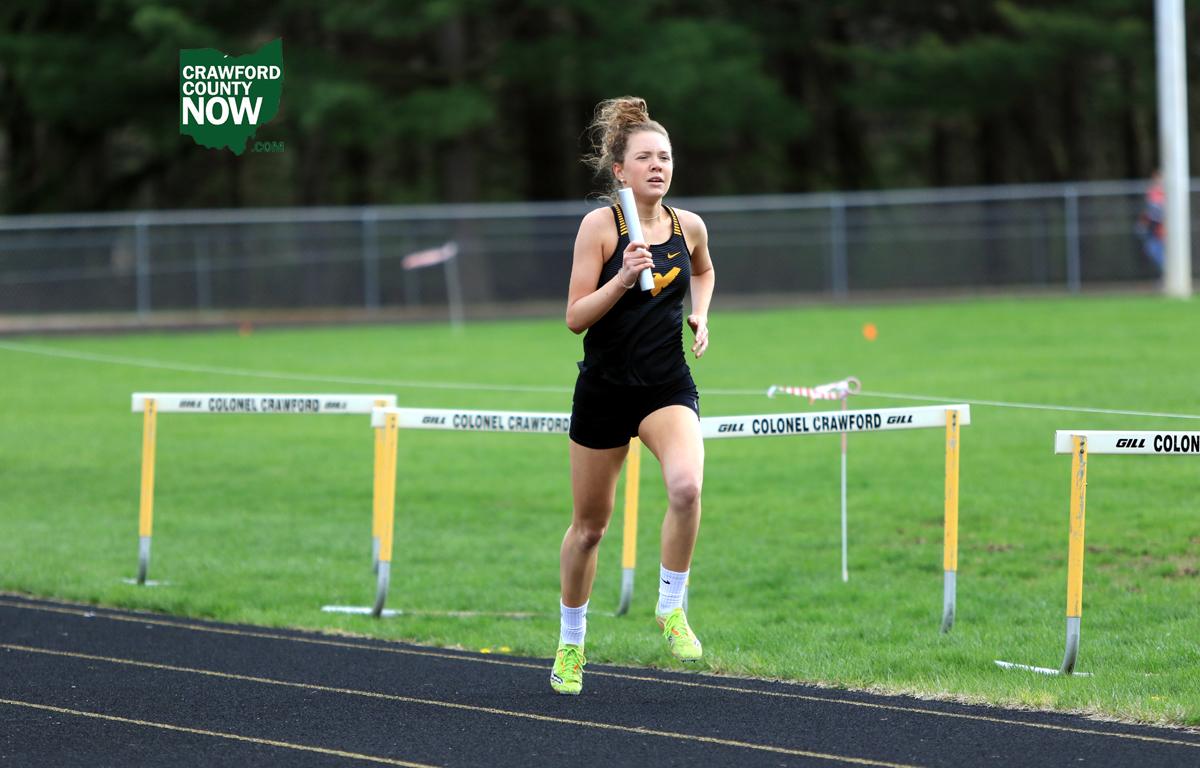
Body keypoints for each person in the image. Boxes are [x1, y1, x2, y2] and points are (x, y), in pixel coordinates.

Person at [551, 96, 715, 695]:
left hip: (665, 385)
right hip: (604, 390)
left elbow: (703, 270)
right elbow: (575, 318)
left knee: (687, 487)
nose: (658, 166)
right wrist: (622, 277)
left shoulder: (688, 226)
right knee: (590, 529)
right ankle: (572, 643)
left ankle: (671, 606)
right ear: (620, 170)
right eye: (645, 157)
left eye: (664, 157)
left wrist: (700, 314)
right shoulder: (600, 228)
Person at [1136, 169, 1165, 273]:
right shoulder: (1151, 192)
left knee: (1158, 249)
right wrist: (1142, 222)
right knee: (1151, 248)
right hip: (1153, 225)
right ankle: (1167, 272)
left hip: (1162, 225)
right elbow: (1148, 210)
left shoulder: (1167, 192)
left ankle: (1169, 272)